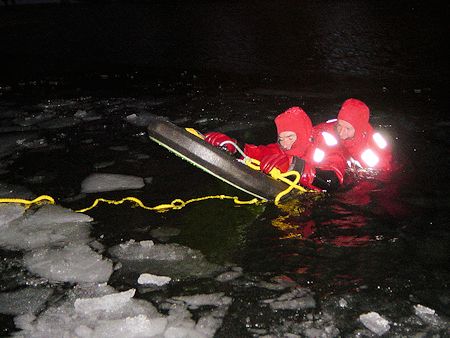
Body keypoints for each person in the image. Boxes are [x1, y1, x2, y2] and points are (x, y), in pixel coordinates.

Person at [204, 106, 346, 191]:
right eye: (281, 138)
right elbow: (258, 153)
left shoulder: (329, 147)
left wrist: (293, 166)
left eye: (290, 137)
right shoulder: (281, 149)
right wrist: (234, 147)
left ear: (303, 135)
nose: (285, 144)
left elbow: (332, 182)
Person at [315, 98, 392, 172]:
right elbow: (307, 135)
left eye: (347, 129)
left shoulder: (372, 149)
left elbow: (384, 171)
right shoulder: (329, 129)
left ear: (358, 129)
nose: (341, 132)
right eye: (339, 125)